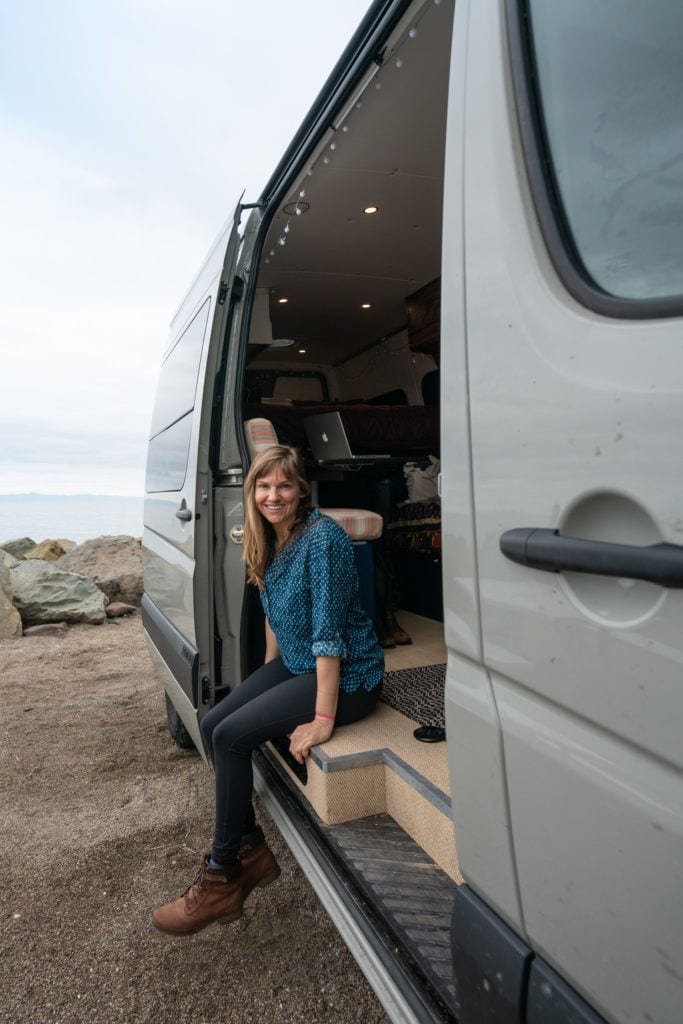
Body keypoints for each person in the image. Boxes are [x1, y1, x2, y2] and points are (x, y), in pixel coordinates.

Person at [152, 445, 385, 935]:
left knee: (234, 735)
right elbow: (274, 611)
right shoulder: (269, 537)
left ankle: (221, 877)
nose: (272, 496)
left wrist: (322, 719)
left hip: (347, 676)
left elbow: (328, 635)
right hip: (297, 663)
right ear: (252, 490)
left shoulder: (323, 541)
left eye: (283, 486)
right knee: (215, 721)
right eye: (263, 486)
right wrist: (264, 679)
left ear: (301, 490)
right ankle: (251, 848)